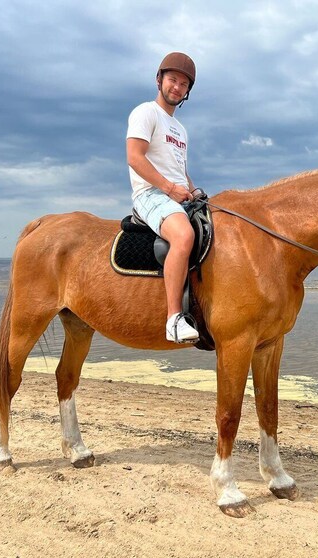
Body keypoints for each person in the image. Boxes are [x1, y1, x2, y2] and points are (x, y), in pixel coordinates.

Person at [126, 52, 200, 343]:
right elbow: (134, 157)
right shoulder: (145, 112)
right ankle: (173, 318)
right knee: (183, 236)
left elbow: (180, 171)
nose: (177, 87)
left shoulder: (180, 129)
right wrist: (169, 189)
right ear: (160, 80)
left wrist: (192, 190)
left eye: (184, 84)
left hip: (178, 195)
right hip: (151, 193)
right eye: (173, 80)